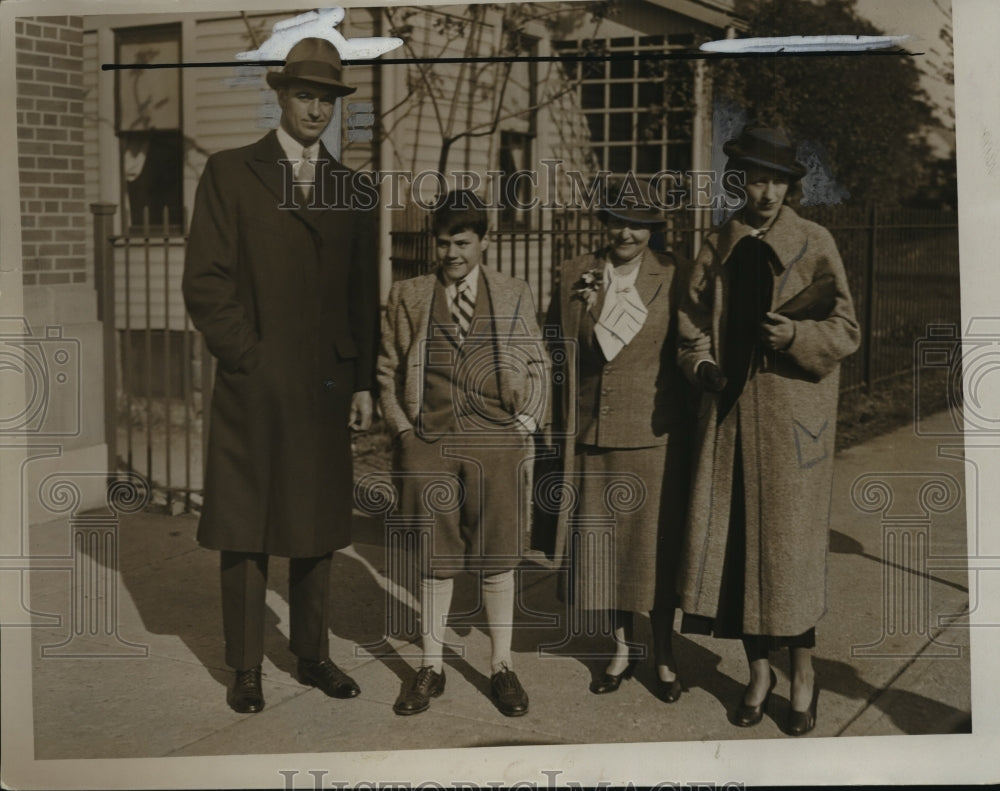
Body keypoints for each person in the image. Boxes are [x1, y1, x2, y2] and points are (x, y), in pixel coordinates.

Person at [182, 38, 379, 714]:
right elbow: (205, 282)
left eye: (327, 99)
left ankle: (312, 654)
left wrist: (361, 380)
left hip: (324, 384)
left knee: (315, 521)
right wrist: (247, 355)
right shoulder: (231, 172)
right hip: (254, 382)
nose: (316, 109)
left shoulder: (354, 188)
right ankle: (245, 666)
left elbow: (361, 293)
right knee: (246, 525)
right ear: (282, 97)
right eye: (304, 95)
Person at [676, 124, 860, 735]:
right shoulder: (716, 244)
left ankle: (802, 674)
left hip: (791, 429)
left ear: (791, 186)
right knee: (735, 557)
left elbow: (847, 329)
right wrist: (701, 364)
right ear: (739, 183)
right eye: (757, 180)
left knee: (789, 558)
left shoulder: (814, 242)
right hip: (728, 424)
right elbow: (691, 326)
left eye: (778, 182)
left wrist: (796, 335)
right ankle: (759, 673)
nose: (768, 193)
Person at [376, 191, 549, 717]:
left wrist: (525, 425)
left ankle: (502, 666)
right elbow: (388, 370)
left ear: (484, 242)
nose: (451, 253)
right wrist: (404, 433)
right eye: (443, 243)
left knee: (499, 555)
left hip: (497, 441)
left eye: (462, 242)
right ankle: (431, 666)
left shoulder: (514, 292)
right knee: (436, 558)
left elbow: (537, 364)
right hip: (430, 441)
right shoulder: (408, 295)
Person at [545, 177, 691, 702]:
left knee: (653, 554)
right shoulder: (575, 272)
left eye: (638, 224)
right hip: (592, 435)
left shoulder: (674, 274)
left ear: (654, 229)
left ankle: (665, 653)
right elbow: (554, 345)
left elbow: (689, 344)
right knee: (605, 555)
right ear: (603, 223)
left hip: (653, 436)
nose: (626, 233)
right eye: (617, 221)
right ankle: (622, 648)